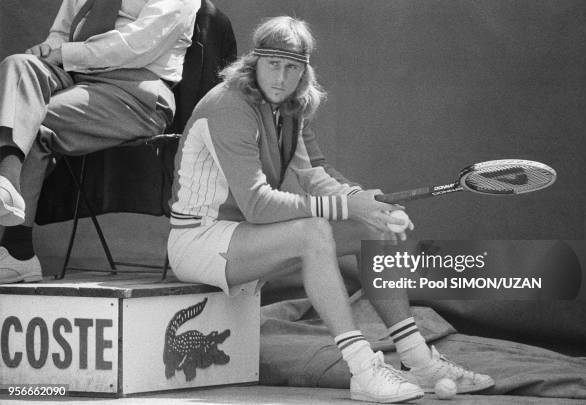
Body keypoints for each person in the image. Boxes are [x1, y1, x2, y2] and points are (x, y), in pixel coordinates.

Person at [168, 16, 494, 403]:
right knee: (313, 231)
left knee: (375, 226)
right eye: (273, 64)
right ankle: (362, 369)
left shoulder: (291, 107)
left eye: (292, 68)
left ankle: (416, 359)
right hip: (198, 240)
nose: (281, 77)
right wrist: (346, 206)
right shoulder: (227, 105)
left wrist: (364, 202)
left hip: (249, 240)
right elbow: (256, 204)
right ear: (254, 63)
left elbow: (313, 174)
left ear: (303, 72)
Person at [0, 0, 200, 284]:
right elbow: (63, 31)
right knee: (18, 66)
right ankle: (6, 183)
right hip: (74, 75)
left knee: (30, 119)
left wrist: (66, 53)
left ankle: (16, 251)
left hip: (134, 91)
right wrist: (49, 48)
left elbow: (137, 45)